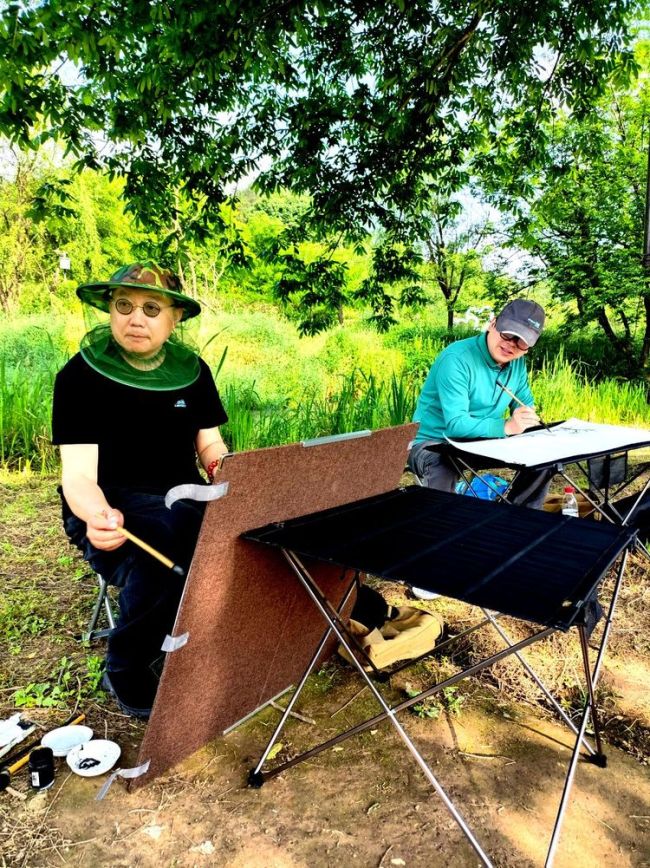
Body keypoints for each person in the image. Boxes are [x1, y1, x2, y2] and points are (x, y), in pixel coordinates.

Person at [51, 262, 228, 719]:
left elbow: (208, 441)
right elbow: (78, 476)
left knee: (230, 535)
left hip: (184, 497)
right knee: (165, 548)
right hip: (111, 504)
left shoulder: (194, 373)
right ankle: (127, 664)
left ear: (175, 320)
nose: (136, 317)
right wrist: (96, 516)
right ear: (109, 311)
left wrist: (225, 474)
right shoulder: (79, 378)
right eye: (124, 305)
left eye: (152, 308)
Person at [407, 298, 554, 509]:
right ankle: (440, 529)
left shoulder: (517, 364)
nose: (511, 344)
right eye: (508, 334)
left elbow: (525, 404)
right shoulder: (456, 359)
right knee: (443, 465)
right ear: (493, 324)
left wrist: (527, 417)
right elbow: (456, 424)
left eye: (521, 342)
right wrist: (507, 426)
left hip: (484, 443)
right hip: (434, 442)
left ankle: (519, 521)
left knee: (546, 457)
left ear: (529, 347)